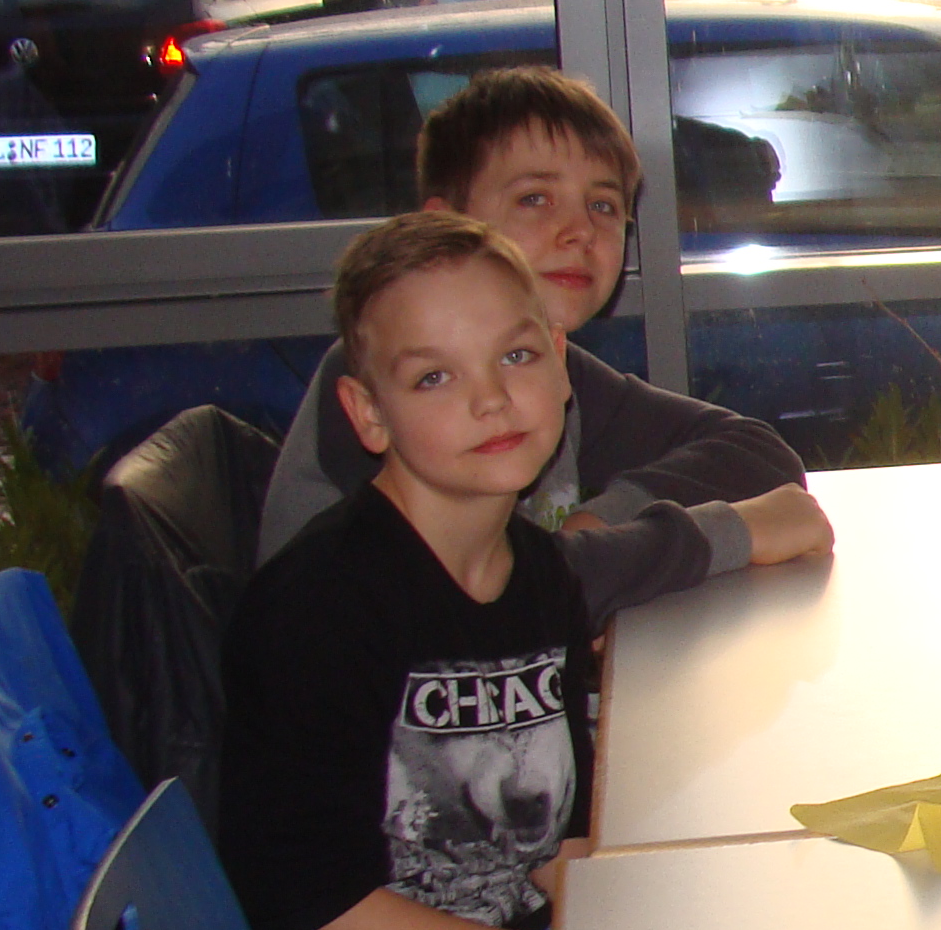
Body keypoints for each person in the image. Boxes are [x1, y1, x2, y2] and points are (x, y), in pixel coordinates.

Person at [222, 212, 598, 930]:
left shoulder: (540, 577)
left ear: (559, 362)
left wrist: (627, 926)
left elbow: (553, 842)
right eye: (434, 377)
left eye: (516, 356)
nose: (491, 399)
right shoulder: (322, 607)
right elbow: (314, 903)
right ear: (367, 414)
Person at [258, 66, 831, 621]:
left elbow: (757, 453)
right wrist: (718, 535)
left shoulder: (547, 375)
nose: (580, 231)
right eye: (535, 198)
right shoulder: (392, 383)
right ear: (444, 226)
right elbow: (466, 601)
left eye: (603, 206)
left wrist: (599, 525)